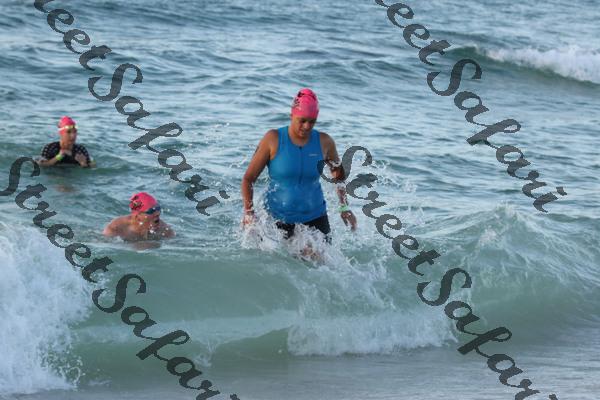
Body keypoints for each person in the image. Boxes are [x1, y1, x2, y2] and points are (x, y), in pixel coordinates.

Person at [241, 88, 357, 247]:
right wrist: (249, 212)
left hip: (316, 217)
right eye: (302, 120)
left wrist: (344, 207)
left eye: (312, 121)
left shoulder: (324, 142)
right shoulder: (273, 139)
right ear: (292, 115)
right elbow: (248, 179)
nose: (307, 126)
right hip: (277, 219)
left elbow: (339, 176)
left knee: (320, 259)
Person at [103, 192, 175, 241]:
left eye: (158, 208)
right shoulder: (116, 228)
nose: (157, 213)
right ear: (137, 217)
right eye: (151, 211)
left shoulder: (163, 229)